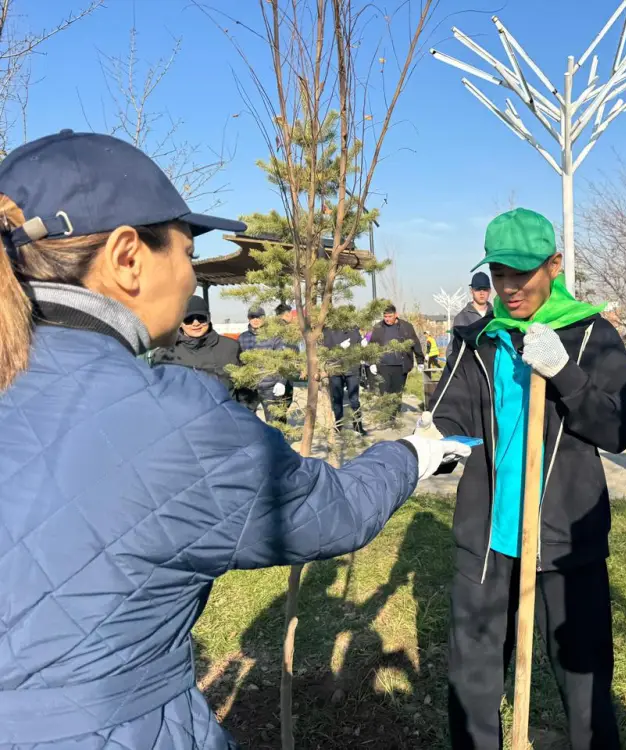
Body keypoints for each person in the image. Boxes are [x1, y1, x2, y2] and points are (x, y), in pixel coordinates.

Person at [0, 130, 469, 750]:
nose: (191, 272)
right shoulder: (170, 418)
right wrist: (413, 453)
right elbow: (332, 514)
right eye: (187, 249)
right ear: (127, 256)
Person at [425, 208, 626, 749]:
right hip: (489, 538)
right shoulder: (480, 338)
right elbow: (450, 416)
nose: (509, 287)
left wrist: (564, 373)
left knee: (584, 678)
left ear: (555, 264)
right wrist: (434, 441)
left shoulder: (593, 333)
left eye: (521, 273)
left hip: (567, 540)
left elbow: (622, 428)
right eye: (499, 273)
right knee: (472, 678)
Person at [150, 294, 246, 402]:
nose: (196, 323)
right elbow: (158, 393)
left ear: (209, 318)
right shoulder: (164, 354)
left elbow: (247, 385)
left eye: (201, 318)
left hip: (226, 416)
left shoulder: (230, 347)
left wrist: (242, 412)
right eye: (189, 319)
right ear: (180, 322)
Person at [238, 302, 298, 424]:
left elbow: (283, 360)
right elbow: (238, 361)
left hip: (270, 387)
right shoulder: (242, 337)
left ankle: (277, 442)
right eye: (252, 317)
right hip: (250, 388)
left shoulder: (274, 337)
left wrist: (282, 382)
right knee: (247, 421)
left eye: (258, 317)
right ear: (248, 319)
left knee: (274, 422)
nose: (255, 320)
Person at [369, 303, 424, 401]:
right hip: (383, 366)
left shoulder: (406, 326)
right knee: (384, 393)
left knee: (397, 393)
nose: (387, 319)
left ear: (396, 315)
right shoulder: (378, 327)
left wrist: (420, 361)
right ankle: (387, 415)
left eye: (390, 316)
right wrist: (371, 362)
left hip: (401, 366)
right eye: (385, 316)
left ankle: (394, 414)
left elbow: (415, 343)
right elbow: (372, 345)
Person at [323, 322, 367, 435]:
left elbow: (359, 345)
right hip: (335, 368)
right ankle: (339, 425)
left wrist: (363, 343)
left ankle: (357, 425)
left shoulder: (353, 329)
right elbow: (325, 348)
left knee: (354, 399)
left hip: (352, 368)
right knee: (337, 399)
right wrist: (338, 348)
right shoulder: (328, 329)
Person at [448, 271, 494, 357]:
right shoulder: (461, 318)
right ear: (471, 291)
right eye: (478, 289)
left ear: (490, 290)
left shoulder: (496, 316)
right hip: (471, 367)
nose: (482, 293)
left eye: (485, 289)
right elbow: (452, 350)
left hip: (494, 368)